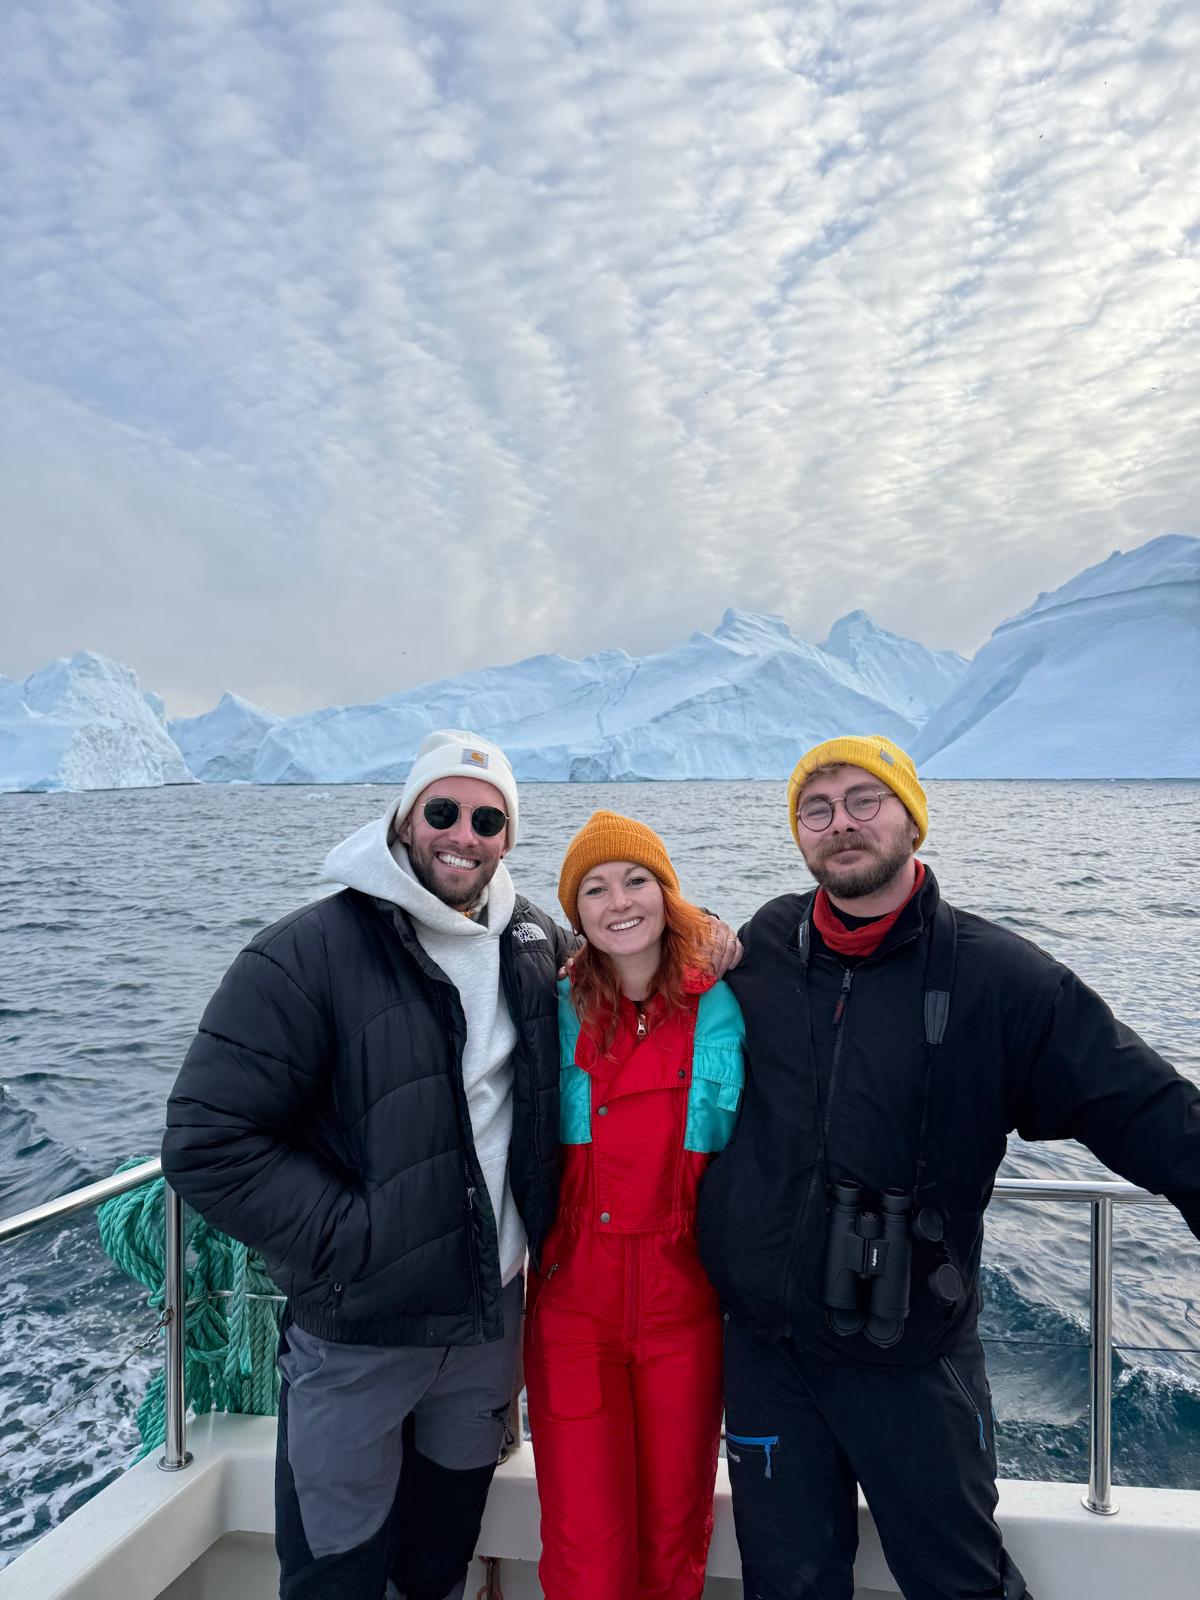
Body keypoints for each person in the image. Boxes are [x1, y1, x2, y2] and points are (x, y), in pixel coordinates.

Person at [697, 735, 1200, 1600]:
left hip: (909, 1352)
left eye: (865, 800)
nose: (841, 823)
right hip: (768, 1350)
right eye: (816, 809)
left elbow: (1148, 1109)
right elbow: (633, 973)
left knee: (956, 1582)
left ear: (911, 817)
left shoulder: (1002, 979)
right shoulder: (768, 943)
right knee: (786, 1583)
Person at [162, 730, 571, 1600]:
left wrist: (713, 941)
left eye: (488, 818)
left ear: (509, 836)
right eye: (443, 810)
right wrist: (362, 1239)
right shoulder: (304, 954)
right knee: (334, 1571)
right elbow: (207, 1140)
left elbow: (637, 970)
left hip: (485, 1324)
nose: (463, 833)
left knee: (439, 1555)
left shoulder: (533, 942)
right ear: (405, 816)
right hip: (359, 1330)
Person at [524, 811, 745, 1600]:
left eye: (637, 879)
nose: (619, 901)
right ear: (574, 916)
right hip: (572, 1307)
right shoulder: (547, 1006)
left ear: (669, 893)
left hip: (685, 1303)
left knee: (674, 1536)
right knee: (586, 1548)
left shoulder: (727, 1000)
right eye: (594, 887)